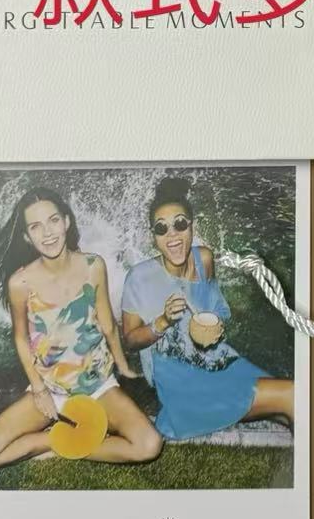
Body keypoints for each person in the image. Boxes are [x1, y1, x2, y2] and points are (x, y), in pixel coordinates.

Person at [0, 187, 162, 472]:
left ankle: (68, 440)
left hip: (98, 386)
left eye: (53, 220)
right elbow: (20, 338)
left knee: (149, 445)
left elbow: (107, 324)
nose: (47, 233)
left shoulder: (93, 265)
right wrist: (39, 390)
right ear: (26, 236)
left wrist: (123, 368)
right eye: (35, 226)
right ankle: (56, 440)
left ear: (66, 221)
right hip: (50, 389)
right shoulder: (20, 283)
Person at [121, 176, 294, 440]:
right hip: (181, 382)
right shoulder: (139, 277)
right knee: (293, 396)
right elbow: (131, 341)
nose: (172, 235)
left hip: (218, 362)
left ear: (192, 226)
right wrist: (163, 321)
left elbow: (217, 311)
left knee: (290, 406)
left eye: (180, 224)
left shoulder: (204, 259)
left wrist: (214, 325)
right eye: (161, 228)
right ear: (153, 237)